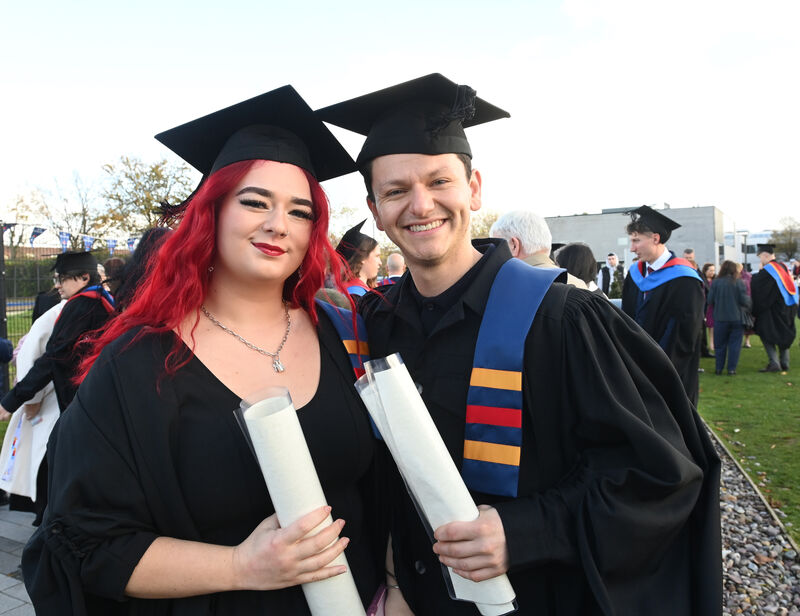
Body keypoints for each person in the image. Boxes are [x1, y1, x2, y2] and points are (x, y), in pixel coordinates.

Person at [319, 73, 721, 615]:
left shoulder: (563, 318)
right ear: (375, 205)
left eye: (439, 182)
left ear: (474, 188)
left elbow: (657, 473)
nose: (420, 205)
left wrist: (524, 531)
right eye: (395, 190)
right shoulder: (378, 324)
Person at [22, 86, 383, 615]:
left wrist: (393, 588)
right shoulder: (139, 362)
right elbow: (83, 540)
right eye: (255, 202)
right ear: (209, 213)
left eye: (299, 211)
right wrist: (243, 565)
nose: (277, 224)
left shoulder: (340, 332)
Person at [621, 206, 705, 405]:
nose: (632, 248)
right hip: (636, 367)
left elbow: (686, 333)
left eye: (636, 241)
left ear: (656, 239)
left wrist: (658, 365)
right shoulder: (635, 275)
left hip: (671, 370)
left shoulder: (685, 278)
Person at [489, 210, 588, 288]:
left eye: (497, 246)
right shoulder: (580, 285)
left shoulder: (510, 287)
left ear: (514, 246)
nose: (495, 254)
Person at [751, 244, 798, 372]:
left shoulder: (768, 270)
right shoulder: (783, 267)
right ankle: (785, 362)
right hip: (788, 308)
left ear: (765, 255)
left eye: (760, 257)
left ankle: (774, 363)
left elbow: (757, 286)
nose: (760, 260)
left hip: (772, 311)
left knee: (766, 334)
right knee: (784, 333)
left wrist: (759, 273)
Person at [707, 260, 751, 375]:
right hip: (736, 317)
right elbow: (744, 300)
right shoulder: (739, 282)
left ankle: (719, 368)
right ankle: (731, 369)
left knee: (720, 345)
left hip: (720, 317)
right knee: (735, 345)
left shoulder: (716, 283)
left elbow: (710, 300)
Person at [336, 220, 382, 298]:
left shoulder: (347, 289)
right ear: (362, 258)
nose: (380, 262)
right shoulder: (355, 295)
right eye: (377, 256)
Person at [702, 263, 716, 353]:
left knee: (712, 327)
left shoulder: (715, 281)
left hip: (713, 307)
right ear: (705, 270)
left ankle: (712, 344)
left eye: (713, 270)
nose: (712, 272)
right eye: (710, 270)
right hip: (705, 306)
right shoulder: (703, 281)